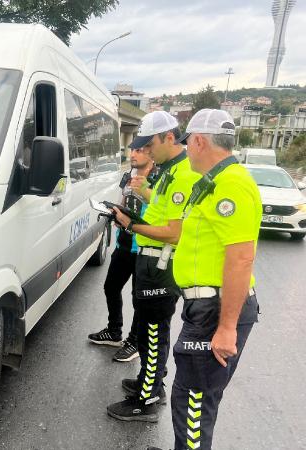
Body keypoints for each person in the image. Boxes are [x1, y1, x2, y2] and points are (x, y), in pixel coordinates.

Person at [155, 109, 261, 450]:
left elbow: (241, 257)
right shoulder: (217, 180)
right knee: (188, 396)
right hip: (206, 306)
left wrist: (227, 327)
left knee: (194, 405)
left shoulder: (231, 184)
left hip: (216, 310)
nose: (187, 151)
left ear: (199, 141)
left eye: (188, 144)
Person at [106, 111, 200, 422]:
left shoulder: (184, 174)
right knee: (148, 329)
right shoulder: (168, 169)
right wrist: (139, 194)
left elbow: (174, 231)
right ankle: (151, 384)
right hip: (150, 261)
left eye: (150, 145)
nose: (146, 151)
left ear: (169, 138)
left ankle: (146, 400)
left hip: (162, 265)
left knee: (153, 332)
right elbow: (160, 210)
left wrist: (131, 225)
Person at [88, 146, 156, 363]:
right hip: (124, 244)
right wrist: (115, 213)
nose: (133, 155)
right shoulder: (129, 176)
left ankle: (135, 342)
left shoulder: (158, 180)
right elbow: (125, 202)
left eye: (139, 151)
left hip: (144, 247)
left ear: (151, 154)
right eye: (132, 150)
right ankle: (114, 331)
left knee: (139, 298)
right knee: (111, 286)